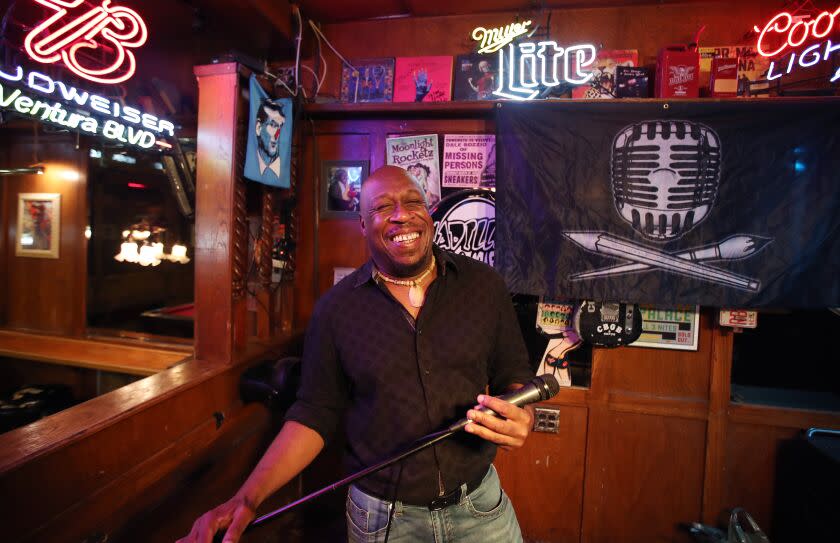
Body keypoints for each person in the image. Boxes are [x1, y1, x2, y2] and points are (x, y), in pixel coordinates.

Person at [178, 166, 535, 543]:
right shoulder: (336, 310)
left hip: (480, 509)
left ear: (429, 214)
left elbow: (514, 372)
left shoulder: (484, 285)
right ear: (363, 225)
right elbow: (315, 412)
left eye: (413, 202)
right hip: (383, 521)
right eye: (383, 207)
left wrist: (522, 413)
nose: (401, 214)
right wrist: (247, 499)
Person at [254, 99, 286, 180]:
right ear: (258, 128)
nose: (277, 134)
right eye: (273, 125)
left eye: (280, 127)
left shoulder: (282, 173)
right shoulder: (253, 165)